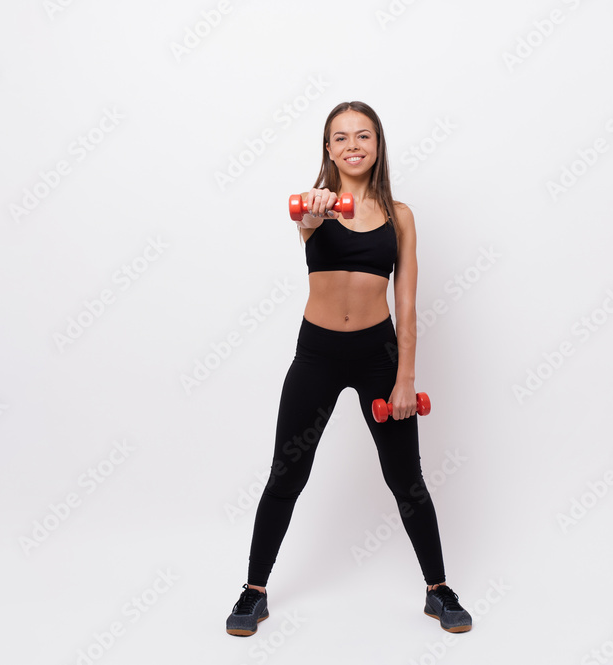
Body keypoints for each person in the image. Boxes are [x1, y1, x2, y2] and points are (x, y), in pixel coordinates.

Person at [225, 101, 471, 636]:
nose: (352, 145)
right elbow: (308, 221)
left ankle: (438, 590)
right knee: (287, 474)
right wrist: (314, 209)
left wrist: (405, 378)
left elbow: (405, 303)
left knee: (406, 479)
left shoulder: (400, 215)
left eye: (363, 135)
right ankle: (254, 591)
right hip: (317, 353)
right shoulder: (317, 207)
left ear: (378, 145)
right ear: (328, 149)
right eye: (340, 138)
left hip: (378, 354)